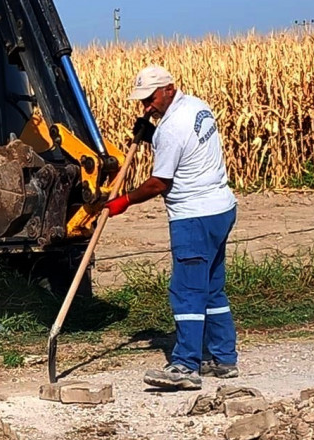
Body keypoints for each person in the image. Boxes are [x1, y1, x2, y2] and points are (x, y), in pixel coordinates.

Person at [105, 66, 239, 391]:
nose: (146, 107)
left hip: (193, 216)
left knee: (187, 292)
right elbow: (186, 148)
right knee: (211, 289)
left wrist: (122, 201)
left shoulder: (171, 128)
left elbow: (158, 183)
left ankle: (185, 365)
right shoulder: (197, 107)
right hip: (221, 209)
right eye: (143, 102)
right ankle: (223, 359)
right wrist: (150, 133)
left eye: (150, 100)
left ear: (168, 89)